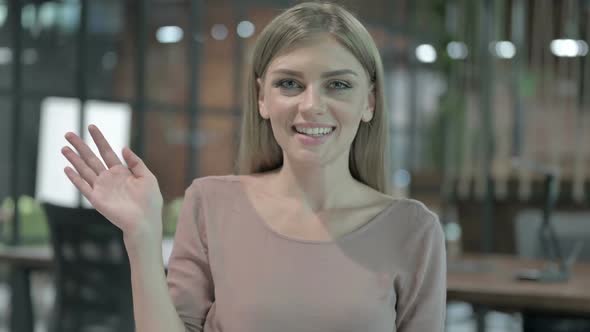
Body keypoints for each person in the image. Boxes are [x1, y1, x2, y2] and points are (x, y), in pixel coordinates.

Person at [61, 2, 446, 331]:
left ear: (370, 102)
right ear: (262, 98)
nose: (311, 105)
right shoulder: (210, 203)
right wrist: (142, 236)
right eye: (290, 84)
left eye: (338, 85)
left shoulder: (414, 231)